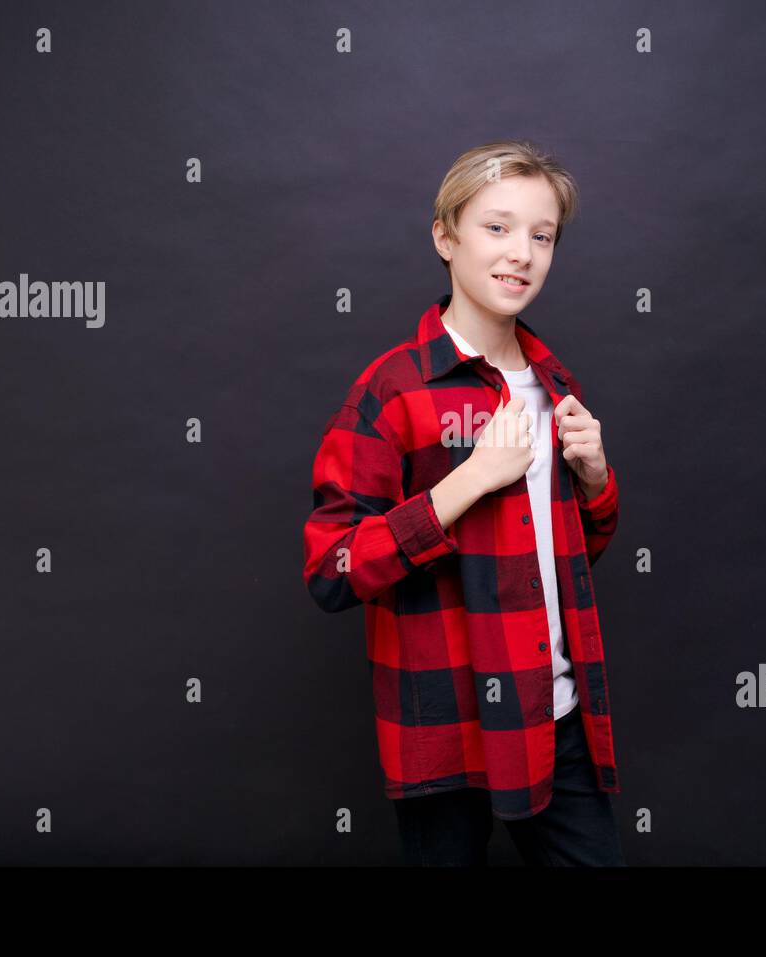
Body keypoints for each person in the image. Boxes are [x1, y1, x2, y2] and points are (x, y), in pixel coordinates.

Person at [302, 140, 624, 866]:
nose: (522, 253)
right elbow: (331, 568)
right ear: (445, 237)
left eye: (542, 236)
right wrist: (463, 484)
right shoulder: (394, 389)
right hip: (447, 730)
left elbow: (562, 558)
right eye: (497, 227)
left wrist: (596, 480)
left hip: (554, 717)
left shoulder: (555, 381)